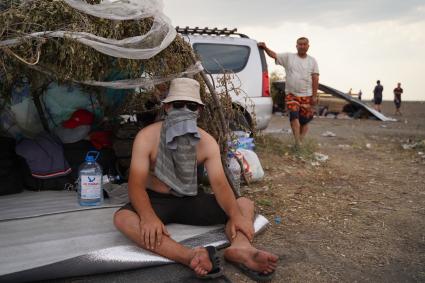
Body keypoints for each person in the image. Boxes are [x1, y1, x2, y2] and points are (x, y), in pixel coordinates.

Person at [113, 78, 278, 281]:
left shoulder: (206, 142)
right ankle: (190, 256)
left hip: (190, 198)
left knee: (242, 204)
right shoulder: (146, 137)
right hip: (156, 200)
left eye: (190, 106)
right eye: (178, 105)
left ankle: (240, 248)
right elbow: (136, 185)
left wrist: (235, 216)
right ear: (166, 107)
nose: (184, 110)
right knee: (123, 219)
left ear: (198, 111)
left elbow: (219, 184)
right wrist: (148, 217)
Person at [258, 37, 319, 147]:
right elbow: (274, 55)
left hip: (307, 95)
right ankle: (297, 142)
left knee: (305, 121)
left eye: (304, 44)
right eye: (300, 44)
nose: (302, 46)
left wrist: (314, 96)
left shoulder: (312, 61)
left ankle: (300, 142)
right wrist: (265, 48)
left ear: (308, 46)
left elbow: (315, 78)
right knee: (294, 117)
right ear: (296, 46)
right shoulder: (289, 57)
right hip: (291, 95)